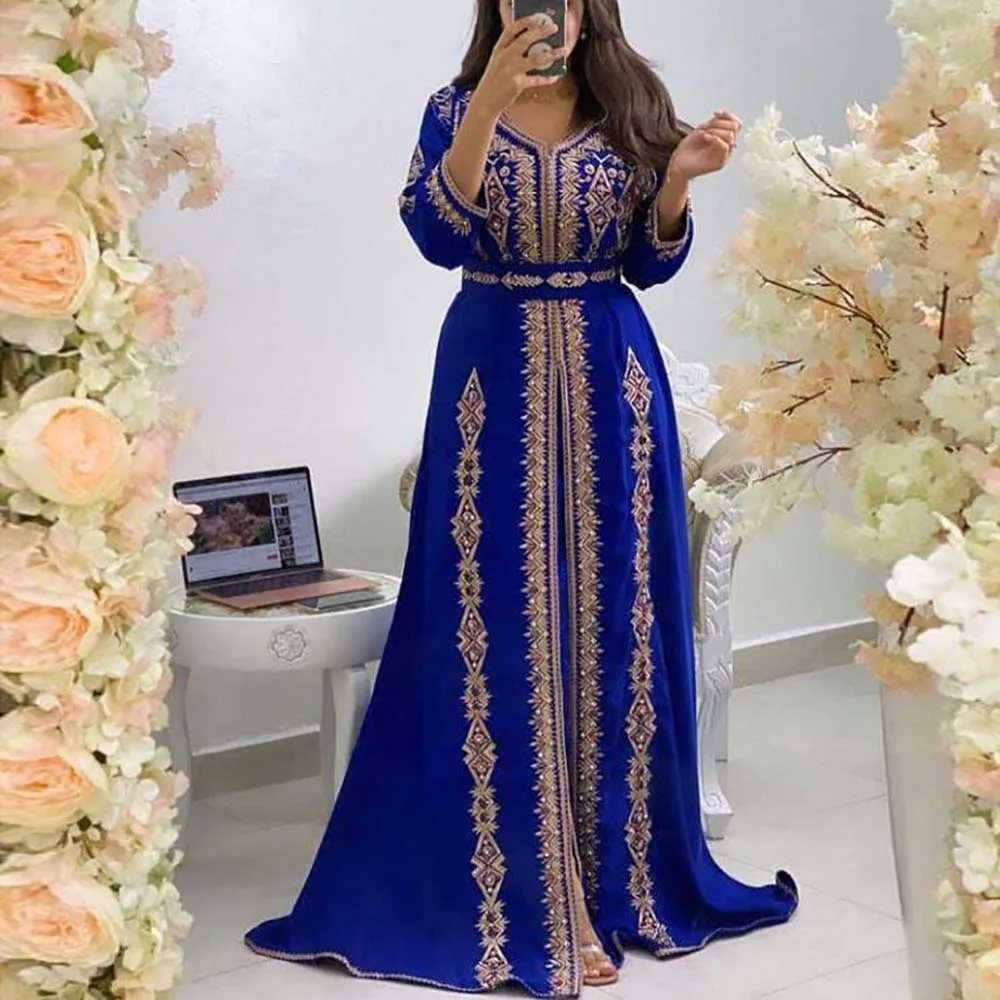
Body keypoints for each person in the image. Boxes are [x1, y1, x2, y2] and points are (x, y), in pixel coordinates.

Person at [245, 0, 798, 993]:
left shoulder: (630, 99)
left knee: (611, 623)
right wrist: (488, 105)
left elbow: (650, 262)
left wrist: (677, 180)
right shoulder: (454, 107)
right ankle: (533, 900)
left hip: (612, 380)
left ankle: (613, 883)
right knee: (492, 621)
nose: (544, 9)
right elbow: (433, 232)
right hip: (490, 375)